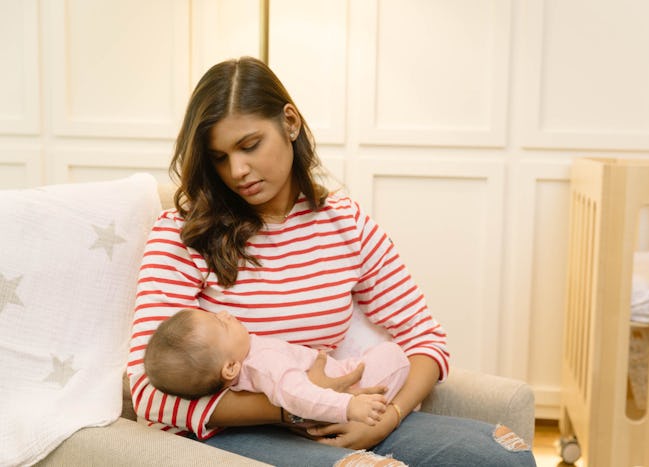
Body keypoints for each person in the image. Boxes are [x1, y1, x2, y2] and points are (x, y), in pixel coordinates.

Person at [128, 56, 535, 466]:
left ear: (290, 122)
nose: (237, 170)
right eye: (219, 157)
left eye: (250, 145)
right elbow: (148, 394)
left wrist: (387, 419)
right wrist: (293, 405)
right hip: (235, 433)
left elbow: (424, 339)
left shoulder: (345, 223)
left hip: (349, 412)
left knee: (501, 458)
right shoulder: (182, 235)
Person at [144, 308, 410, 427]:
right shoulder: (263, 364)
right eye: (220, 323)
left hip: (338, 378)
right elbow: (298, 396)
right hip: (347, 390)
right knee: (394, 356)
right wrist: (348, 407)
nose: (224, 314)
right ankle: (375, 409)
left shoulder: (247, 358)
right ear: (230, 368)